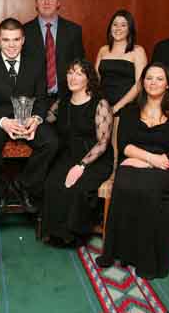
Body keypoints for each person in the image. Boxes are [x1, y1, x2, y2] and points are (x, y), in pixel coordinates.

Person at [95, 62, 169, 279]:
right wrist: (148, 159)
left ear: (168, 84)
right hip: (136, 159)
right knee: (124, 182)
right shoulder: (131, 111)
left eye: (159, 78)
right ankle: (118, 252)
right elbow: (125, 144)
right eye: (149, 78)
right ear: (142, 82)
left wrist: (154, 162)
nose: (153, 83)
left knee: (149, 187)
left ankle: (148, 260)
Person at [0, 18, 58, 212]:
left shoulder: (37, 63)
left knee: (52, 142)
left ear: (23, 40)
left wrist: (36, 119)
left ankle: (24, 185)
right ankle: (0, 192)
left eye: (15, 39)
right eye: (6, 40)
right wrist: (4, 122)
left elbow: (42, 98)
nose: (11, 45)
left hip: (29, 119)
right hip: (0, 122)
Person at [42, 59, 113, 247]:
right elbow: (46, 119)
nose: (73, 77)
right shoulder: (62, 101)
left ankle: (73, 235)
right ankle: (55, 233)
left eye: (79, 73)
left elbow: (103, 142)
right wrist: (30, 121)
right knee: (52, 183)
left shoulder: (101, 104)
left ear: (89, 79)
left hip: (94, 158)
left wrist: (81, 166)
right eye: (70, 72)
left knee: (77, 187)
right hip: (68, 153)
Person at [23, 0, 85, 105]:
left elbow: (80, 65)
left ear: (58, 3)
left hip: (67, 99)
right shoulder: (23, 31)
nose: (46, 2)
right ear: (36, 3)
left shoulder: (74, 30)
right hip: (34, 100)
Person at [95, 9, 147, 115]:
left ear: (129, 29)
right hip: (102, 105)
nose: (118, 28)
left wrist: (116, 108)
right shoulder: (103, 50)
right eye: (115, 24)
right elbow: (95, 80)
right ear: (110, 27)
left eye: (123, 25)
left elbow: (139, 84)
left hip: (127, 106)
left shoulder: (138, 51)